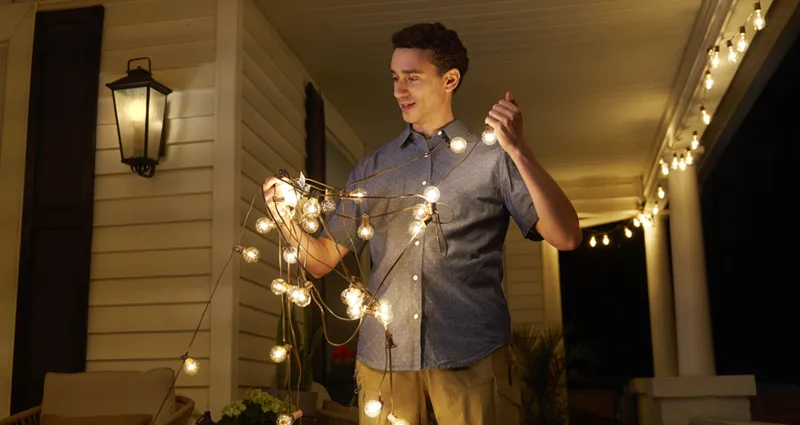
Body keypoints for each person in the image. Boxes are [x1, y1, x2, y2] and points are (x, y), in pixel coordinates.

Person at [263, 22, 581, 425]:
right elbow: (321, 260)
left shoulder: (492, 159)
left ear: (450, 79)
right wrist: (283, 216)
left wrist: (519, 150)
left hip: (472, 356)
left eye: (411, 78)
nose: (399, 90)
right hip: (384, 364)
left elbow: (567, 236)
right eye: (395, 78)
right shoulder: (373, 169)